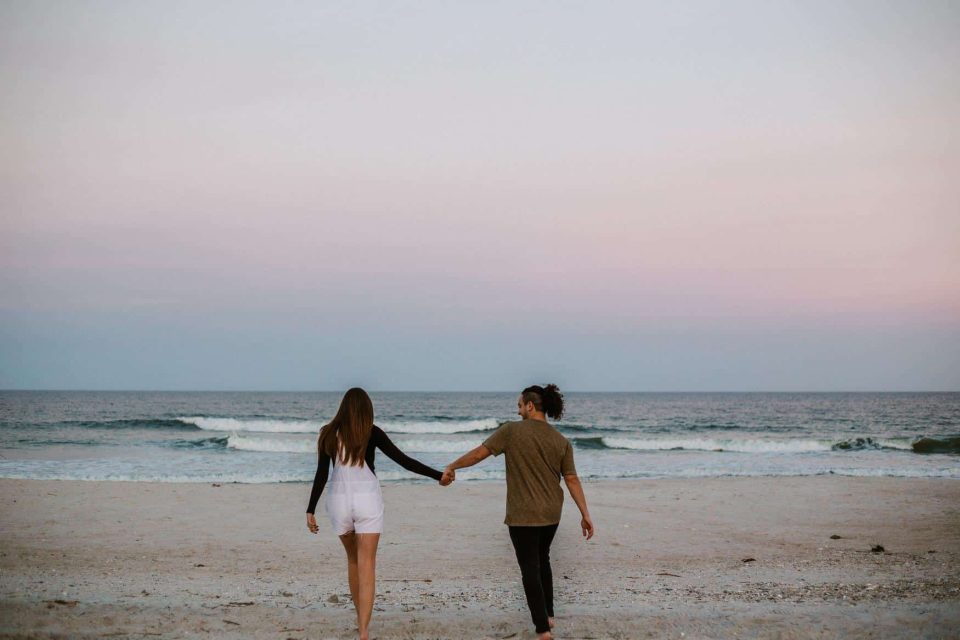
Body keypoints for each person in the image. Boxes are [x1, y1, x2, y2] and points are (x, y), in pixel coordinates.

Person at [443, 384, 594, 640]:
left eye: (519, 405)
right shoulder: (561, 440)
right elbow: (572, 479)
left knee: (529, 569)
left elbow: (480, 454)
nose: (518, 410)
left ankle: (542, 630)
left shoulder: (511, 431)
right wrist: (585, 514)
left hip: (523, 513)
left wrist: (453, 465)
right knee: (542, 558)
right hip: (551, 513)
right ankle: (548, 615)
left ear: (530, 406)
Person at [305, 387, 451, 640]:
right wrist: (438, 476)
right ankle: (363, 631)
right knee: (368, 564)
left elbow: (321, 474)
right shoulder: (371, 433)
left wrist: (310, 509)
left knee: (353, 560)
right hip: (367, 499)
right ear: (367, 409)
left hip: (338, 500)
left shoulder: (328, 434)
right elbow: (402, 460)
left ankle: (359, 618)